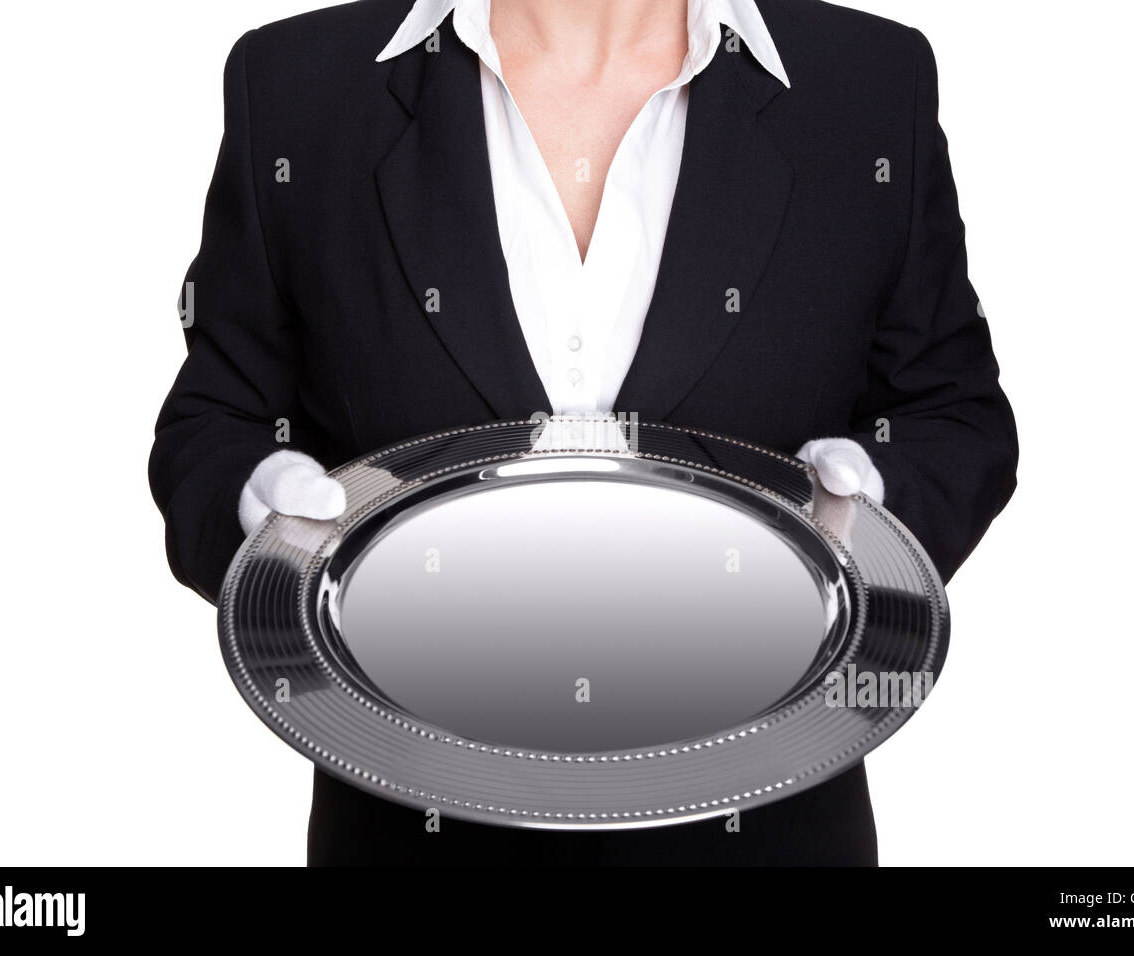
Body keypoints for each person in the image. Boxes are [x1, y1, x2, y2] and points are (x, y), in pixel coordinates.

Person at [149, 0, 1018, 866]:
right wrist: (254, 515)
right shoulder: (300, 83)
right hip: (406, 837)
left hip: (770, 839)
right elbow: (217, 419)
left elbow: (952, 412)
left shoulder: (867, 82)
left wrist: (874, 515)